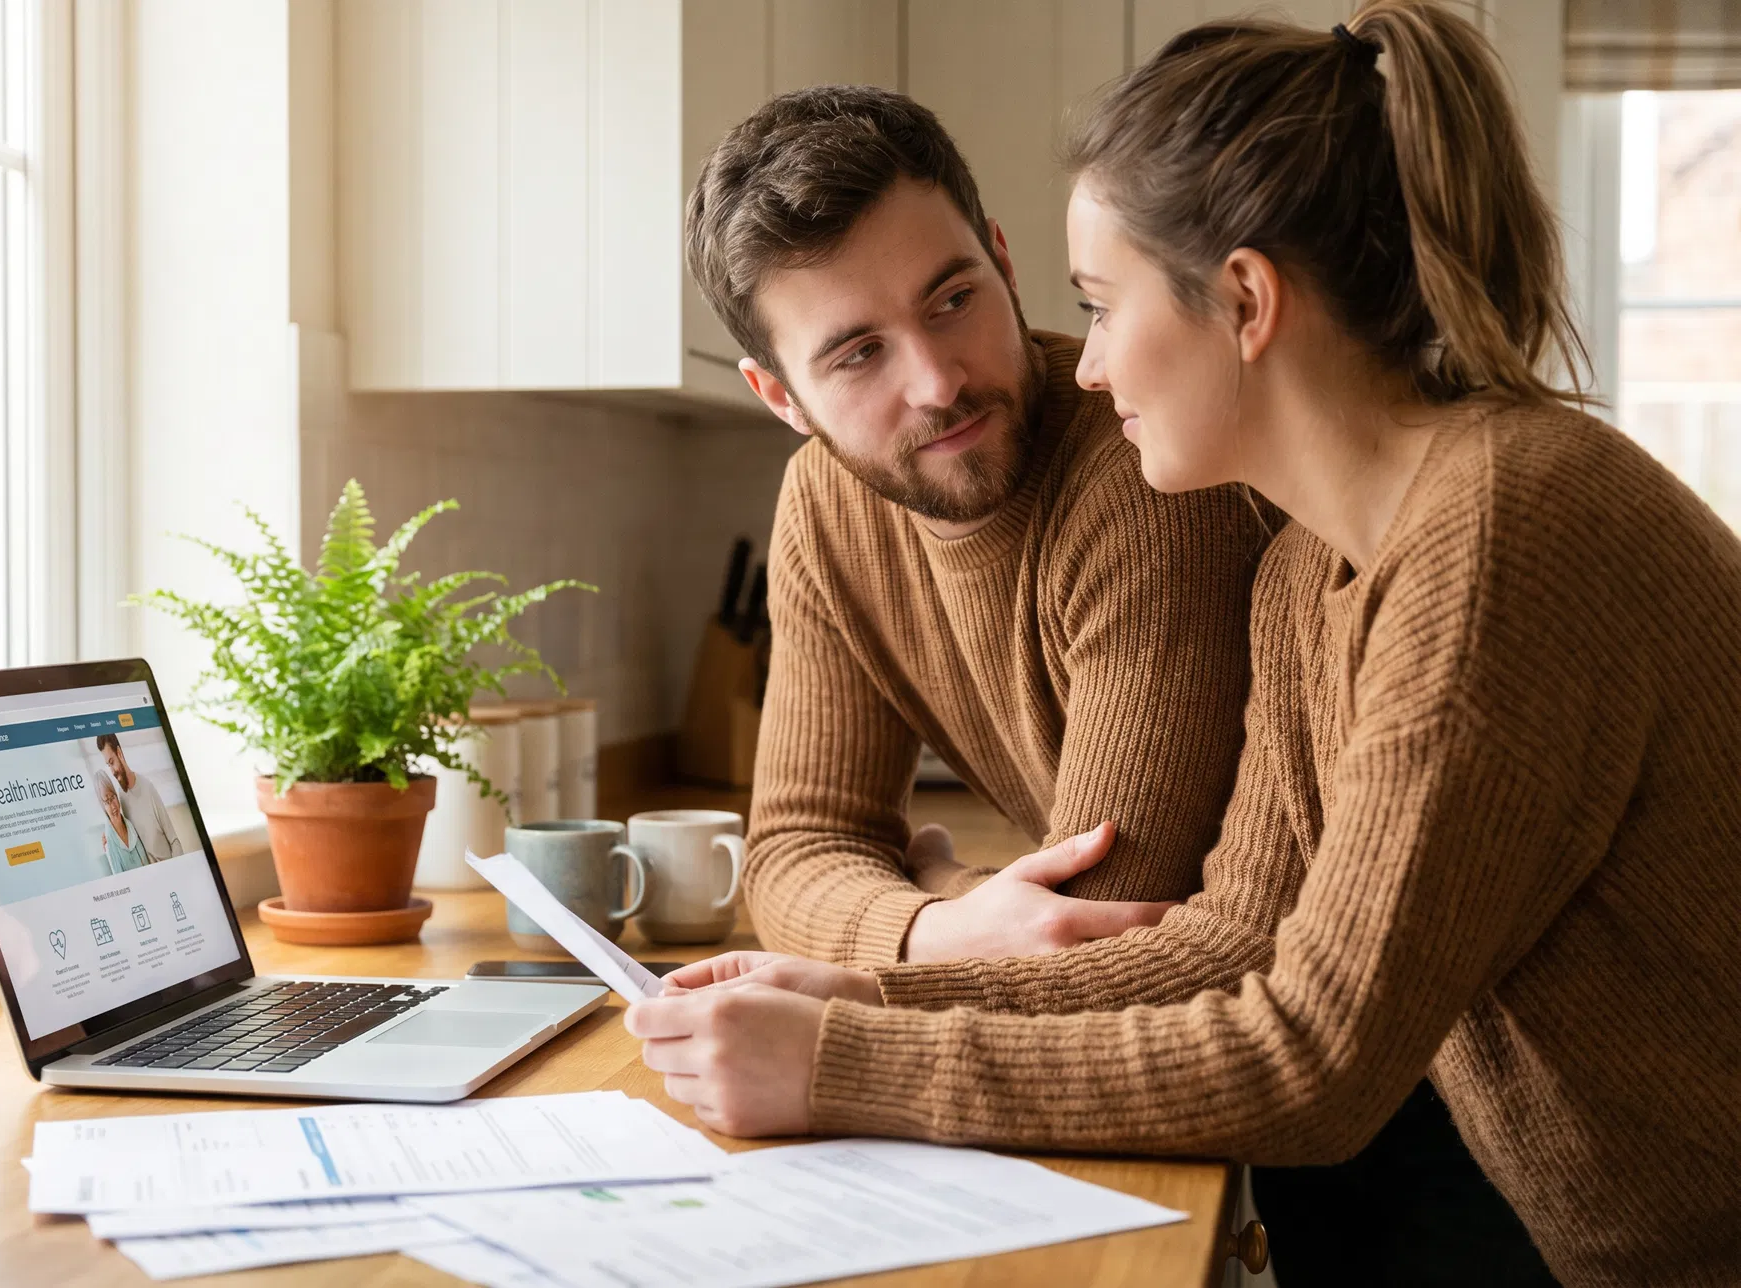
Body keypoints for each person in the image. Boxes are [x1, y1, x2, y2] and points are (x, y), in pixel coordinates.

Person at [627, 5, 1741, 1285]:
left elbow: (1308, 1057)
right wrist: (873, 988)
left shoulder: (1495, 537)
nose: (1088, 365)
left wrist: (844, 1057)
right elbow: (1231, 941)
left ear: (1246, 302)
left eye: (1100, 305)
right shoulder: (1311, 572)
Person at [685, 85, 1269, 968]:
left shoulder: (1147, 471)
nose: (937, 383)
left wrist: (938, 882)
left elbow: (1096, 931)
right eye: (859, 353)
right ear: (781, 397)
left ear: (1002, 261)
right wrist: (940, 927)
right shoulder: (827, 506)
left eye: (953, 300)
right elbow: (796, 852)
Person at [97, 733, 184, 862]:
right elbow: (128, 835)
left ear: (119, 753)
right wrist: (110, 838)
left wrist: (177, 867)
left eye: (112, 762)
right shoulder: (121, 796)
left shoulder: (147, 788)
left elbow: (174, 840)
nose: (112, 771)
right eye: (108, 765)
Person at [94, 769, 152, 874]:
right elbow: (120, 878)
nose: (113, 806)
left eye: (113, 797)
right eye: (107, 802)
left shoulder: (130, 825)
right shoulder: (109, 841)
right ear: (103, 807)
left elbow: (146, 862)